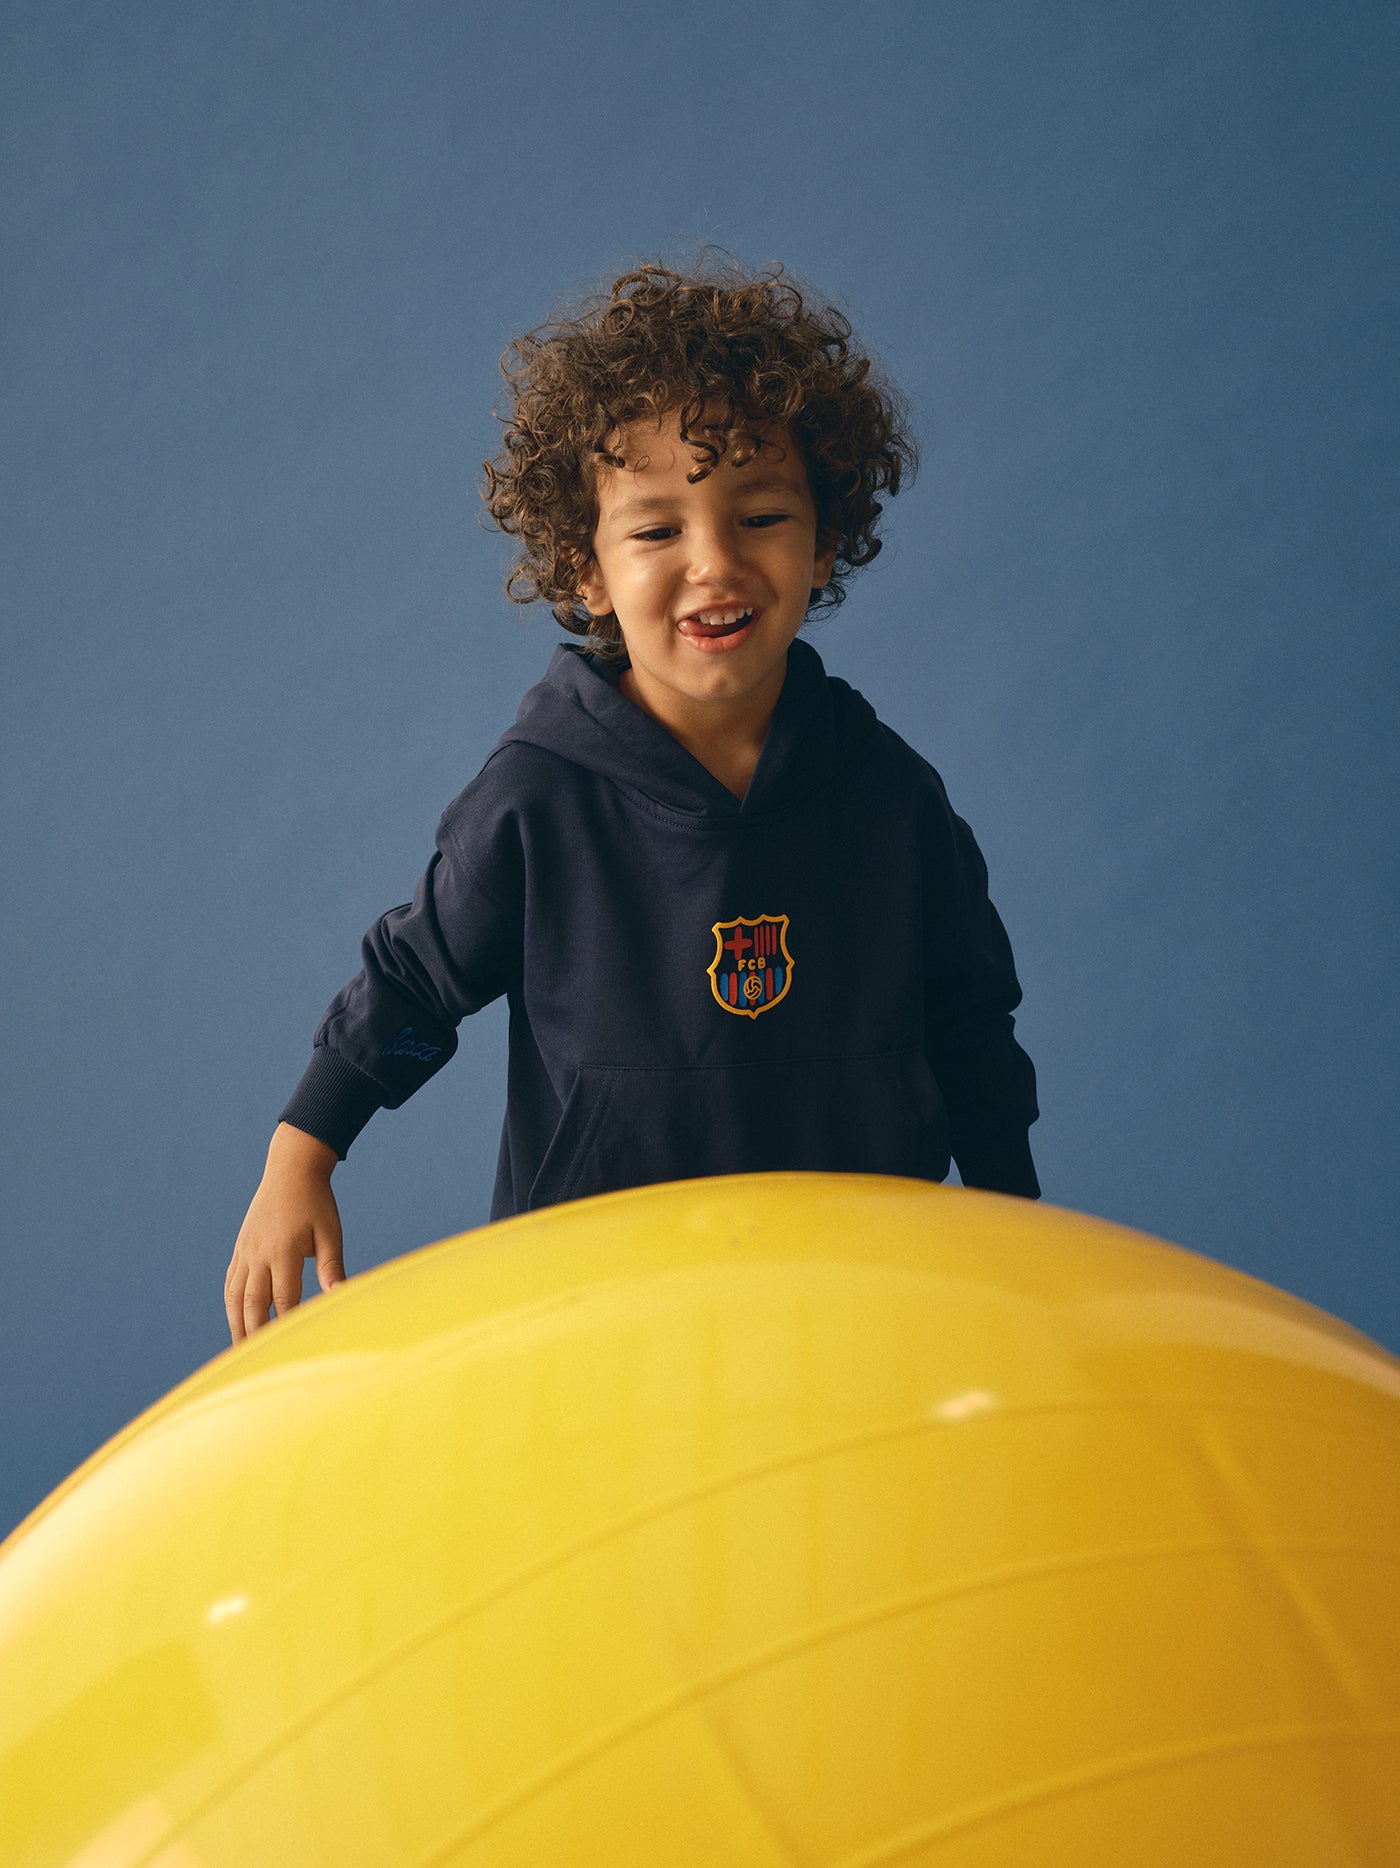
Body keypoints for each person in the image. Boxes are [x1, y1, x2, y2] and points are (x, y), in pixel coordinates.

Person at [225, 256, 1039, 1343]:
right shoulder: (538, 796)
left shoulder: (890, 797)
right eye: (657, 530)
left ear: (825, 543)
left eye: (761, 515)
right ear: (586, 569)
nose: (715, 562)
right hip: (596, 1304)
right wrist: (302, 1154)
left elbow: (969, 1022)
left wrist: (1014, 1215)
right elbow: (415, 989)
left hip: (855, 1293)